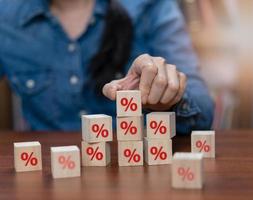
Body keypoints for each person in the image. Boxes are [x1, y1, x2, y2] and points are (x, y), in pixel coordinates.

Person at [0, 0, 214, 134]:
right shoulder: (5, 17)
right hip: (46, 176)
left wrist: (169, 100)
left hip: (135, 173)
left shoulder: (152, 6)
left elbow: (203, 113)